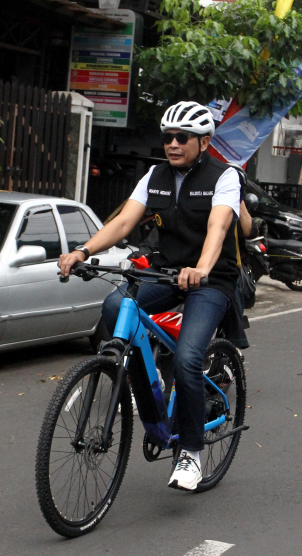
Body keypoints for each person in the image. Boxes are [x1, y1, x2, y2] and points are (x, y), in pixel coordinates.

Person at [58, 101, 242, 492]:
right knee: (114, 306)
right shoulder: (154, 175)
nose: (172, 144)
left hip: (210, 280)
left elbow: (218, 226)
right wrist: (83, 252)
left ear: (204, 142)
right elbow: (124, 221)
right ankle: (151, 379)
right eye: (167, 137)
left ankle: (190, 451)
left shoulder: (224, 177)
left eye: (182, 138)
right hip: (163, 271)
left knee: (191, 358)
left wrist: (203, 268)